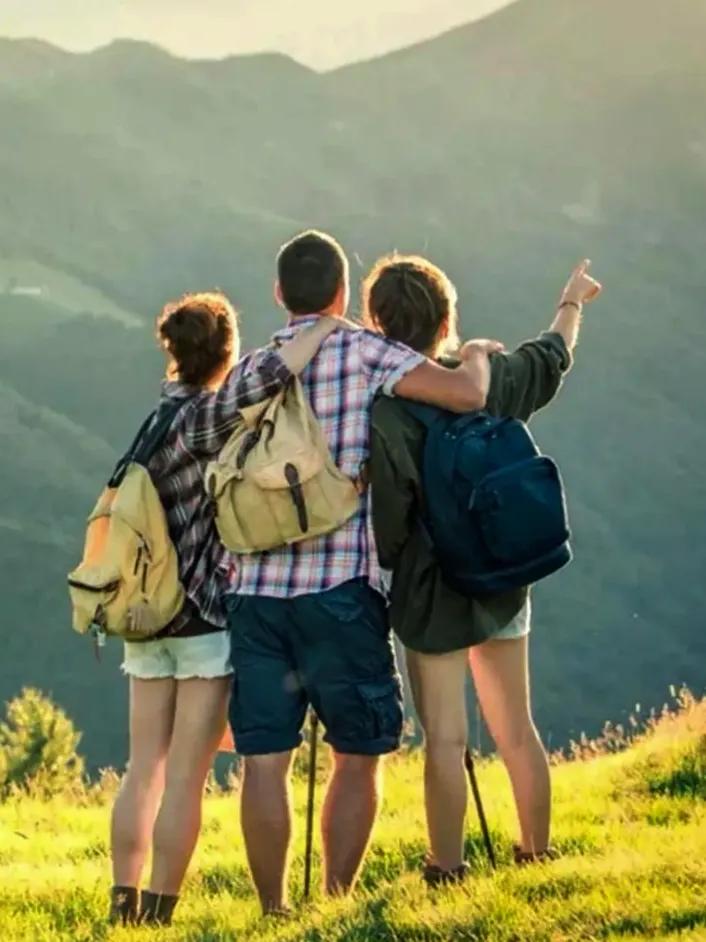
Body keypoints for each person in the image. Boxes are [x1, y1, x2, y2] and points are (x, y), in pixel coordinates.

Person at [222, 230, 496, 915]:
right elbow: (463, 396)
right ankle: (336, 899)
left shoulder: (250, 371)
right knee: (357, 753)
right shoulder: (367, 351)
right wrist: (479, 358)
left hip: (253, 595)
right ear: (344, 294)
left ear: (280, 294)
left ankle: (273, 910)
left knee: (265, 760)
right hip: (341, 592)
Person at [109, 292, 345, 926]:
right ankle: (158, 912)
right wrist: (325, 323)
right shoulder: (204, 418)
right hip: (200, 619)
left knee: (142, 770)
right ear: (224, 352)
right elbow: (272, 377)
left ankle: (121, 902)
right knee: (185, 774)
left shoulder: (154, 420)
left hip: (143, 616)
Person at [366, 255, 602, 884]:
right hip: (501, 575)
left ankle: (447, 867)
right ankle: (536, 851)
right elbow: (552, 355)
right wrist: (572, 298)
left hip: (430, 592)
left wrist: (389, 570)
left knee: (445, 739)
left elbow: (388, 523)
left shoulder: (384, 410)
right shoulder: (487, 374)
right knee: (515, 725)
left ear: (378, 325)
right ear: (448, 317)